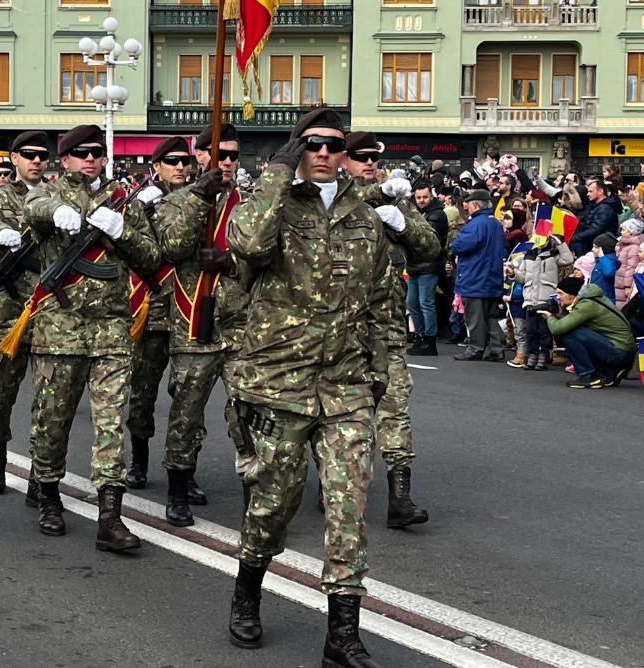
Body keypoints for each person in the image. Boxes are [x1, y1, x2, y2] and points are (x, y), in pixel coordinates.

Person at [225, 109, 396, 667]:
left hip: (345, 384)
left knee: (348, 508)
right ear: (297, 147)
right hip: (279, 382)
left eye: (335, 145)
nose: (325, 153)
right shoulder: (273, 204)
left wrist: (378, 375)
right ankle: (248, 588)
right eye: (313, 143)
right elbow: (247, 243)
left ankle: (342, 637)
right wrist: (275, 171)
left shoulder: (364, 217)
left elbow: (377, 298)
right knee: (275, 505)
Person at [20, 124, 160, 550]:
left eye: (97, 151)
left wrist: (123, 231)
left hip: (112, 330)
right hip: (59, 331)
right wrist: (56, 214)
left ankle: (110, 517)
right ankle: (46, 492)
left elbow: (151, 258)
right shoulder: (47, 192)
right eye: (80, 152)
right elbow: (34, 209)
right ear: (64, 159)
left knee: (109, 426)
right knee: (52, 423)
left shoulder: (122, 200)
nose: (90, 158)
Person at [154, 124, 248, 525]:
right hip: (195, 322)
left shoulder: (247, 202)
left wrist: (230, 261)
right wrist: (198, 200)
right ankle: (178, 487)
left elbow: (269, 255)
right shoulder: (176, 201)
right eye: (219, 154)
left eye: (233, 155)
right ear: (200, 156)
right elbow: (172, 248)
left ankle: (256, 493)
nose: (227, 161)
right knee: (187, 413)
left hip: (242, 325)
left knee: (248, 412)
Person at [343, 130, 438, 528]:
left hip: (385, 325)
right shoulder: (332, 194)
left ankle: (400, 498)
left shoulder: (395, 198)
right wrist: (377, 196)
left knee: (395, 409)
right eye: (360, 157)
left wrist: (403, 224)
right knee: (342, 413)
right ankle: (336, 485)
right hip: (340, 328)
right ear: (343, 160)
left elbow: (431, 247)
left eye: (373, 158)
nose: (369, 163)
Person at [0, 131, 51, 499]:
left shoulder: (58, 198)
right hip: (6, 309)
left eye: (42, 155)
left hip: (50, 309)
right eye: (28, 155)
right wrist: (2, 232)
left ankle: (41, 470)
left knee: (49, 397)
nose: (36, 161)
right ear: (14, 159)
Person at [122, 136, 190, 493]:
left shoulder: (198, 199)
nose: (181, 166)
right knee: (142, 394)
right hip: (151, 312)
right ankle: (139, 459)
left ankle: (185, 470)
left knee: (187, 401)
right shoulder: (139, 203)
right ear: (157, 165)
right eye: (173, 160)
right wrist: (140, 210)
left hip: (188, 313)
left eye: (185, 161)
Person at [543, 277, 637, 389]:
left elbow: (558, 328)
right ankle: (610, 371)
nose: (557, 298)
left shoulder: (587, 305)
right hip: (623, 349)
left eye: (560, 293)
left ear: (572, 294)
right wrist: (559, 316)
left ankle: (588, 375)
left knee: (570, 333)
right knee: (570, 350)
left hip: (620, 351)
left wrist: (549, 317)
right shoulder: (593, 299)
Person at [451, 189, 506, 361]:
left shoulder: (476, 224)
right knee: (491, 316)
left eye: (468, 204)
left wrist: (454, 243)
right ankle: (497, 349)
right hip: (492, 276)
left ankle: (476, 348)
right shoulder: (495, 223)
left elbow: (460, 245)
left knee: (474, 317)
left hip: (475, 276)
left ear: (475, 204)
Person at [508, 235, 573, 369]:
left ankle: (543, 355)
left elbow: (568, 259)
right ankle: (532, 355)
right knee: (531, 330)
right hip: (530, 299)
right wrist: (512, 274)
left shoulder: (553, 255)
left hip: (546, 298)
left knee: (544, 330)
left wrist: (560, 243)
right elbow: (523, 277)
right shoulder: (528, 255)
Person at [406, 180, 448, 356]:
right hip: (414, 265)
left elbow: (422, 238)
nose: (421, 200)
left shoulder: (438, 215)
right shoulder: (416, 212)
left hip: (429, 265)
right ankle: (421, 336)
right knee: (412, 303)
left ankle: (429, 340)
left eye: (425, 197)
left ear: (431, 196)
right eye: (418, 197)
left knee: (425, 303)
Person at [570, 178, 620, 257]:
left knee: (576, 244)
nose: (587, 194)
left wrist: (573, 238)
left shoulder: (605, 208)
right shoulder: (596, 206)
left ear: (600, 192)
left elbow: (594, 230)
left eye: (590, 191)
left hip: (599, 245)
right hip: (592, 242)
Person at [614, 218, 644, 307]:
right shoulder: (623, 244)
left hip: (623, 284)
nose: (621, 232)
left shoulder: (634, 248)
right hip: (618, 282)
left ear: (631, 232)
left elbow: (631, 267)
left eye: (624, 230)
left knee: (622, 306)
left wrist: (627, 286)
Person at [589, 232, 619, 303]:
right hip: (596, 298)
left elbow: (609, 272)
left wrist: (602, 257)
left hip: (605, 299)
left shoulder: (609, 260)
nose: (592, 249)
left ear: (604, 249)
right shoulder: (599, 261)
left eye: (595, 247)